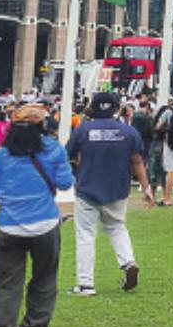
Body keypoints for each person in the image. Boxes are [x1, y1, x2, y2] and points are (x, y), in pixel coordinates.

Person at [0, 102, 75, 327]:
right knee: (44, 280)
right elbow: (65, 183)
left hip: (9, 227)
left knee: (6, 286)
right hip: (45, 225)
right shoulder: (54, 149)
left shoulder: (3, 154)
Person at [65, 91, 151, 297]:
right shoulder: (129, 132)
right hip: (117, 188)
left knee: (86, 235)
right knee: (116, 227)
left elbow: (69, 155)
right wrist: (146, 187)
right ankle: (128, 261)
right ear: (117, 108)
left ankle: (86, 284)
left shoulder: (83, 130)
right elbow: (137, 161)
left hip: (88, 187)